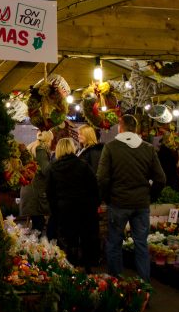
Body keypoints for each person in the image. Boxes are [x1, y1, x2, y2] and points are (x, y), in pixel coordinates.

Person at [97, 114, 166, 282]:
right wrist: (150, 196)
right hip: (141, 204)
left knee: (114, 244)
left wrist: (107, 197)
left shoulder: (111, 148)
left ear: (120, 127)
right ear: (136, 129)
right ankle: (144, 286)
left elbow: (102, 178)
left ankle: (116, 284)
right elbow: (161, 179)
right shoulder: (148, 148)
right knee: (141, 244)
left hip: (118, 203)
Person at [44, 138, 100, 272]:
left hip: (64, 209)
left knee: (69, 239)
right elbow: (94, 187)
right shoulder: (83, 165)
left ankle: (70, 267)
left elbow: (49, 192)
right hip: (84, 208)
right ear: (72, 148)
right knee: (86, 238)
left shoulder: (53, 168)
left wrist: (54, 211)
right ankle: (87, 268)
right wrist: (94, 205)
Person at [20, 129, 53, 233]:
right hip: (35, 193)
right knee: (38, 224)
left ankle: (34, 246)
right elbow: (46, 171)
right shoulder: (41, 150)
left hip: (29, 190)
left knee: (36, 222)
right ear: (48, 140)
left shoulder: (32, 147)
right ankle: (36, 247)